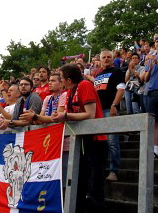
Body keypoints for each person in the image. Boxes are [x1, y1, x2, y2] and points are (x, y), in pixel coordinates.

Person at [54, 64, 107, 213]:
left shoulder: (85, 85)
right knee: (80, 181)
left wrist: (65, 115)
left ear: (69, 80)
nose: (61, 82)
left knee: (94, 183)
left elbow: (90, 114)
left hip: (96, 140)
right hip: (82, 141)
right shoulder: (71, 92)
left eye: (62, 79)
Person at [91, 50, 125, 182]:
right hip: (97, 112)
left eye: (109, 57)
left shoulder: (117, 72)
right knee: (98, 143)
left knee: (112, 141)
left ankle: (113, 170)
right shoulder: (98, 74)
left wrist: (114, 105)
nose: (106, 59)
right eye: (104, 57)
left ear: (113, 59)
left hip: (108, 110)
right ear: (100, 59)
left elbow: (121, 88)